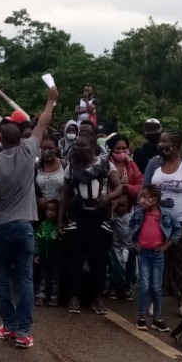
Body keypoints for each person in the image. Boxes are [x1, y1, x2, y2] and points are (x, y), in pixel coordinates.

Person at [0, 85, 56, 348]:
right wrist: (50, 100)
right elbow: (42, 123)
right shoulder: (29, 152)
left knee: (3, 276)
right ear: (20, 139)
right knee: (25, 278)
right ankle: (24, 332)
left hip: (2, 227)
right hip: (25, 227)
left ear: (1, 141)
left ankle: (9, 326)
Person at [60, 133, 123, 315]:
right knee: (75, 258)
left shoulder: (104, 164)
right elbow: (64, 194)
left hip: (99, 217)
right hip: (78, 217)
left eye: (83, 146)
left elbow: (119, 187)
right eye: (77, 145)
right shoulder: (71, 166)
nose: (79, 149)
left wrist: (108, 198)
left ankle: (98, 297)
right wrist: (60, 220)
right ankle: (74, 297)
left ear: (93, 146)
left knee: (99, 259)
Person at [143, 130, 182, 316]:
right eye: (160, 142)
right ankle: (154, 299)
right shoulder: (154, 164)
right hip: (155, 222)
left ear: (176, 145)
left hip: (180, 223)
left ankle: (181, 301)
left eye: (165, 142)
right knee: (155, 261)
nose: (161, 145)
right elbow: (144, 190)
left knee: (179, 263)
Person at [128, 184, 181, 332]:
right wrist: (135, 242)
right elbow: (130, 226)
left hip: (158, 255)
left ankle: (157, 318)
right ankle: (141, 317)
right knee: (144, 286)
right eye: (141, 196)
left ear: (154, 199)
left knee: (157, 288)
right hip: (144, 254)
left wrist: (166, 246)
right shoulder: (139, 214)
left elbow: (177, 230)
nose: (141, 200)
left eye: (144, 197)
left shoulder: (166, 215)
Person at [106, 133, 143, 300]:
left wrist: (128, 190)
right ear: (111, 149)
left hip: (129, 213)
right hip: (111, 213)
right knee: (113, 251)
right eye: (117, 148)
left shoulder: (132, 165)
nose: (121, 151)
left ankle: (127, 285)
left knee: (130, 250)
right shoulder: (105, 164)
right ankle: (113, 285)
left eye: (123, 148)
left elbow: (140, 184)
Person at [35, 199, 63, 307]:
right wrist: (37, 254)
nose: (50, 212)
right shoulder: (43, 225)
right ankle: (42, 296)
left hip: (55, 258)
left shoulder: (58, 226)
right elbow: (38, 241)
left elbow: (61, 242)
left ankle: (54, 297)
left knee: (54, 278)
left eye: (53, 210)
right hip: (44, 257)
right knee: (43, 277)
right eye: (48, 210)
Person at [35, 136, 65, 219]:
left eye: (50, 148)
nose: (46, 151)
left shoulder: (64, 165)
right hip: (42, 212)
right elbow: (31, 188)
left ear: (56, 149)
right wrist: (38, 199)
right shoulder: (37, 166)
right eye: (43, 148)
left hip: (61, 212)